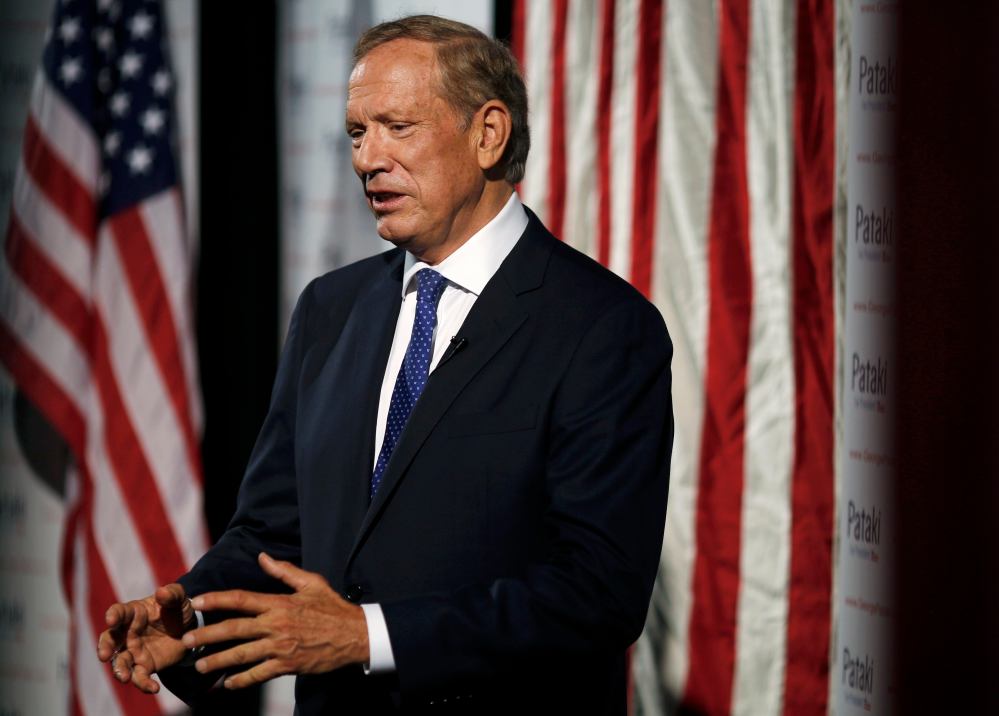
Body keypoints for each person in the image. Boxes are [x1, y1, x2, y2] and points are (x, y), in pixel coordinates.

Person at [96, 15, 673, 714]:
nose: (368, 158)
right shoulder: (330, 309)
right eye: (356, 133)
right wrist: (193, 624)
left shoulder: (601, 327)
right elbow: (276, 532)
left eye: (397, 127)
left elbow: (596, 594)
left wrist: (368, 636)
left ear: (487, 133)